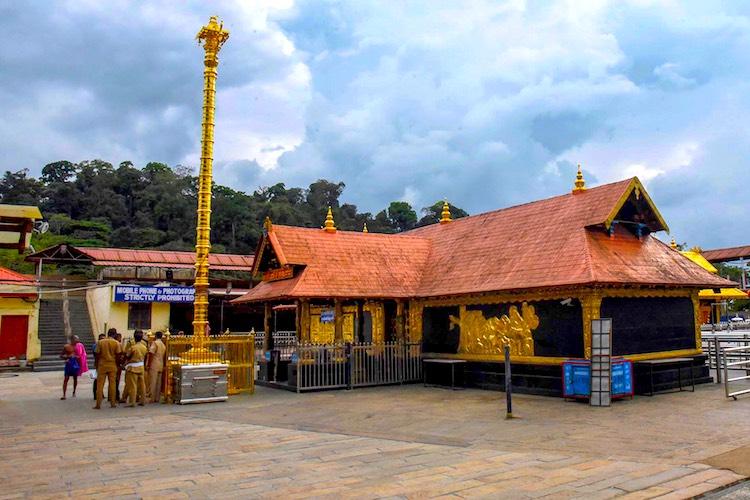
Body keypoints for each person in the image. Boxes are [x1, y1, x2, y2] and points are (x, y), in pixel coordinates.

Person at [94, 328, 121, 409]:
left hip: (102, 365)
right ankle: (112, 403)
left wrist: (96, 364)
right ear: (115, 334)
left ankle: (98, 404)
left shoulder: (100, 342)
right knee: (112, 384)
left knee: (100, 385)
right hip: (112, 365)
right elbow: (118, 355)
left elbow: (97, 354)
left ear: (107, 334)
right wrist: (117, 364)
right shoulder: (116, 343)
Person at [124, 330, 148, 407]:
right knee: (142, 385)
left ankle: (132, 402)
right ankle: (143, 400)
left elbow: (127, 355)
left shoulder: (132, 346)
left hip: (133, 366)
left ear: (134, 337)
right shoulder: (144, 345)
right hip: (141, 366)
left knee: (133, 385)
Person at [147, 331, 166, 404]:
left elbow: (151, 353)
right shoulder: (163, 345)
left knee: (153, 381)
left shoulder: (155, 343)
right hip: (160, 364)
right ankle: (157, 398)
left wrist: (148, 364)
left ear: (155, 336)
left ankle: (152, 398)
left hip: (154, 364)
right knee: (159, 382)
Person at [92, 333, 105, 399]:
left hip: (102, 363)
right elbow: (96, 355)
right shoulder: (95, 345)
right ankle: (95, 394)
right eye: (101, 338)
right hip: (98, 363)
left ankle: (101, 393)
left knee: (101, 380)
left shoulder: (103, 345)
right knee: (97, 380)